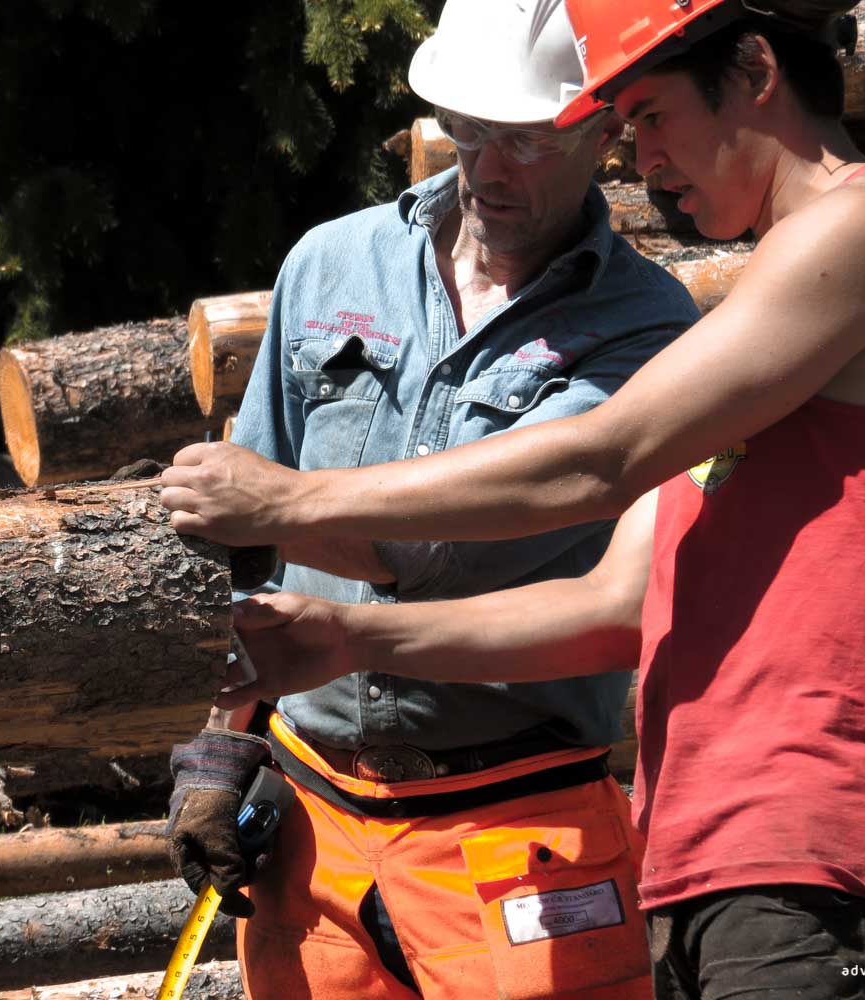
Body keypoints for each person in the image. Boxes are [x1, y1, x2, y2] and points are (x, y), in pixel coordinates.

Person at [161, 0, 865, 995]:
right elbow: (611, 607)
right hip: (721, 846)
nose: (640, 160)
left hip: (839, 835)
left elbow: (602, 456)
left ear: (757, 68)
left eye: (648, 116)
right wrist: (349, 640)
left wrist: (293, 504)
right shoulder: (760, 341)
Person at [163, 2, 699, 997]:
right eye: (469, 131)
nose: (488, 170)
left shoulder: (644, 326)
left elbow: (460, 552)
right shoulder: (333, 263)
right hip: (313, 821)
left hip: (517, 820)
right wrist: (226, 736)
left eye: (527, 142)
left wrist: (276, 499)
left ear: (603, 128)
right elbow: (255, 550)